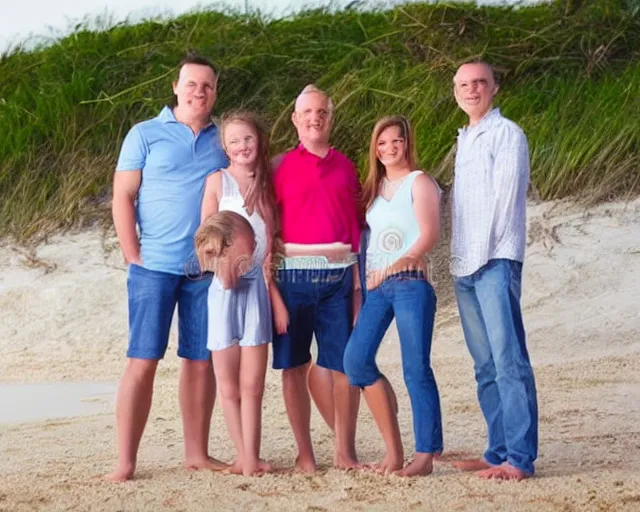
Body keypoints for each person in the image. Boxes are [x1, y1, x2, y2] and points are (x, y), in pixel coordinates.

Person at [107, 53, 228, 482]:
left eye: (207, 85)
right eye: (192, 84)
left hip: (204, 271)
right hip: (153, 267)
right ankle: (125, 462)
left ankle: (197, 452)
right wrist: (131, 252)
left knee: (200, 361)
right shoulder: (145, 133)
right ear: (176, 87)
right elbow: (123, 195)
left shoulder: (223, 139)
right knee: (143, 360)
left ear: (215, 92)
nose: (199, 91)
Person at [449, 60, 538, 481]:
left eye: (480, 82)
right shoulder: (465, 138)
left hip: (495, 261)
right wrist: (460, 264)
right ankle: (497, 449)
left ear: (494, 87)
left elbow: (505, 202)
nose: (472, 89)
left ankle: (519, 459)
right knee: (484, 366)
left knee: (508, 362)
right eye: (464, 84)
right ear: (455, 91)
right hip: (465, 265)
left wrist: (481, 261)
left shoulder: (506, 134)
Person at [343, 115, 443, 477]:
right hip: (377, 290)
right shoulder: (376, 187)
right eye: (381, 143)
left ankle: (425, 455)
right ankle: (393, 447)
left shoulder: (420, 182)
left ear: (407, 143)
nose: (388, 149)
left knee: (416, 368)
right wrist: (368, 275)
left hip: (411, 285)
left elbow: (428, 235)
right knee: (355, 360)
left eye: (396, 141)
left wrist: (389, 269)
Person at [272, 85, 362, 472]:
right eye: (307, 112)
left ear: (331, 117)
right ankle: (305, 454)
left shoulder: (348, 167)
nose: (314, 118)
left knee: (344, 365)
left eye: (322, 112)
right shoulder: (277, 167)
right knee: (293, 366)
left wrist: (358, 288)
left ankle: (345, 451)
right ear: (295, 119)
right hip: (292, 280)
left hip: (339, 279)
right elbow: (264, 226)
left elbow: (357, 230)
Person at [200, 112, 283, 477]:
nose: (242, 146)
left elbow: (271, 245)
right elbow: (204, 242)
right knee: (229, 383)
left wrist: (273, 291)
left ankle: (252, 454)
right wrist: (225, 270)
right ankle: (241, 455)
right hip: (224, 289)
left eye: (247, 139)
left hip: (258, 291)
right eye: (234, 141)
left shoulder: (267, 184)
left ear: (258, 141)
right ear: (225, 147)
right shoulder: (217, 182)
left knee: (254, 384)